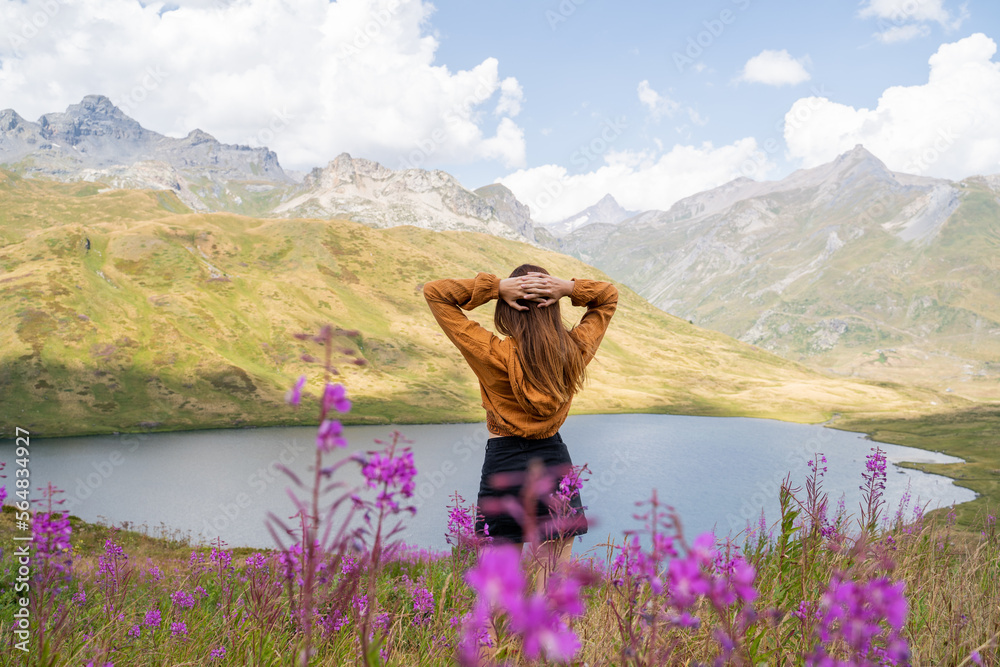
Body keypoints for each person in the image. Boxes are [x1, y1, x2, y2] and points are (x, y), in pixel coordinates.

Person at [422, 264, 618, 571]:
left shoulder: (491, 353)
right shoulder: (574, 350)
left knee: (496, 589)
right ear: (553, 308)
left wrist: (496, 288)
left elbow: (435, 293)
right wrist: (567, 288)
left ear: (508, 310)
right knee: (552, 584)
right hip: (553, 461)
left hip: (503, 463)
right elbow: (608, 297)